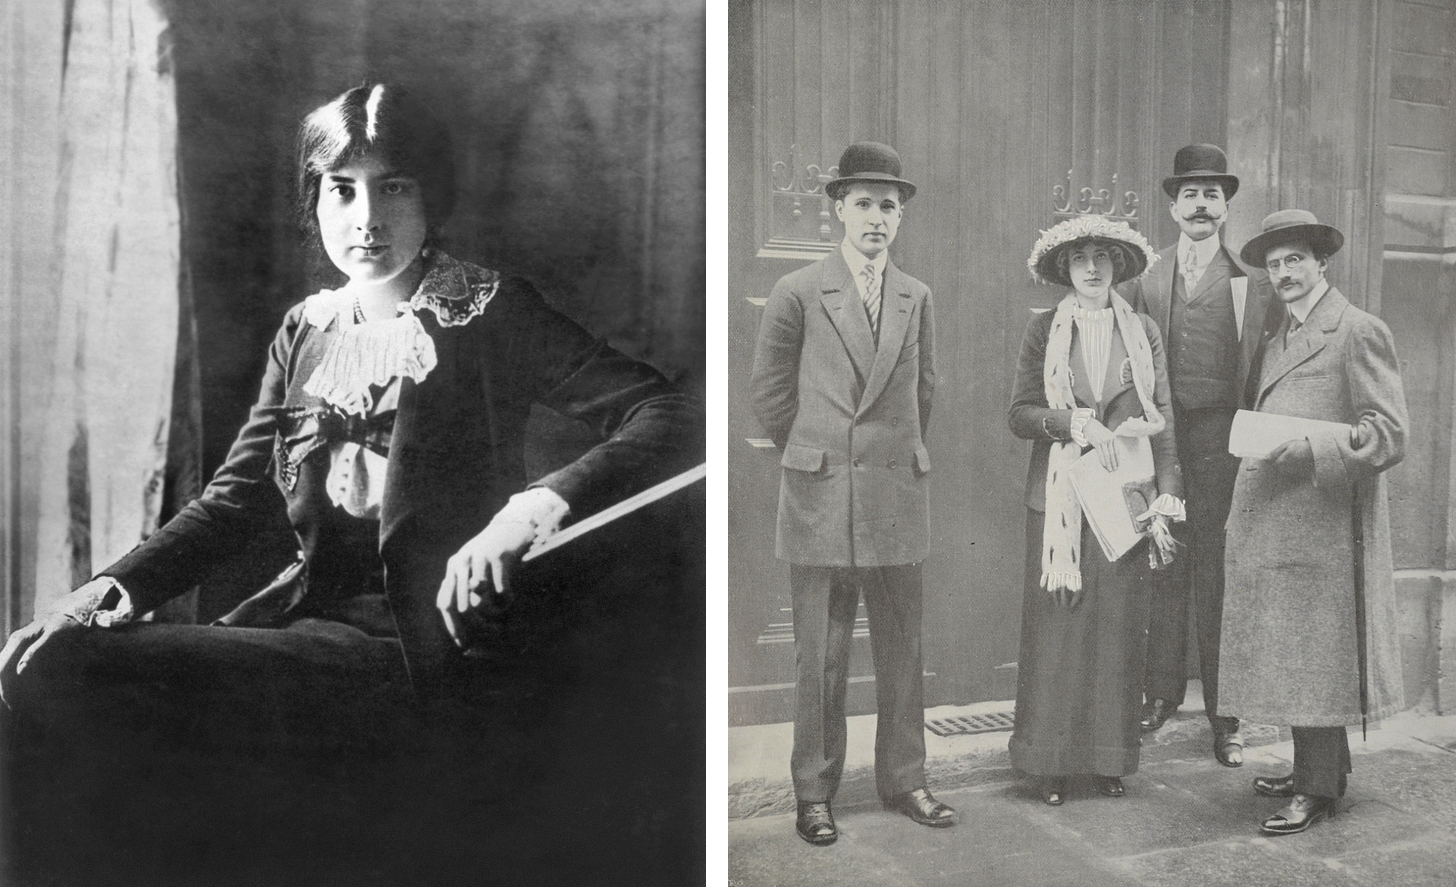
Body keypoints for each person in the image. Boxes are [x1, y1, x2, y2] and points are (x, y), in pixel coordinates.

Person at [0, 83, 699, 876]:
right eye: (342, 189)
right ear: (317, 201)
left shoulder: (490, 310)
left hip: (418, 644)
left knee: (75, 677)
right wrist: (95, 594)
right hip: (304, 623)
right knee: (49, 662)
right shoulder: (306, 329)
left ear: (434, 195)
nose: (366, 217)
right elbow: (236, 500)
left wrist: (525, 512)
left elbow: (668, 412)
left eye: (394, 186)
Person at [749, 141, 955, 846]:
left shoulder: (916, 295)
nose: (876, 218)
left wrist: (886, 459)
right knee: (822, 652)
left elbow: (925, 395)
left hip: (897, 493)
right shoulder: (799, 291)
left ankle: (908, 779)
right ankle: (814, 792)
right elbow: (769, 395)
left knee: (902, 647)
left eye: (888, 206)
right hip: (821, 495)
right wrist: (821, 456)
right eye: (863, 203)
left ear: (900, 217)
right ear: (837, 208)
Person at [1219, 209, 1408, 835]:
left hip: (1326, 524)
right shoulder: (1278, 338)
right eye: (1274, 265)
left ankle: (1318, 790)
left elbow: (1387, 434)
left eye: (1294, 260)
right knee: (1299, 653)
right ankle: (1316, 772)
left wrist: (1313, 450)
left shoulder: (1357, 331)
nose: (1283, 274)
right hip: (1283, 521)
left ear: (1321, 263)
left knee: (1316, 654)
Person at [1008, 216, 1184, 805]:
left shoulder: (1144, 331)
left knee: (1116, 630)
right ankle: (1049, 765)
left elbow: (1162, 412)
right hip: (1059, 499)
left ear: (1117, 266)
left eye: (1102, 256)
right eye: (1080, 257)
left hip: (1125, 496)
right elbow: (1020, 413)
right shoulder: (1043, 330)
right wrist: (1070, 422)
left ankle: (1109, 757)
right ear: (1065, 268)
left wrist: (1167, 487)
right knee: (1061, 628)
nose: (1091, 267)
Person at [1120, 144, 1277, 767]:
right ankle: (1159, 696)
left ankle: (1225, 715)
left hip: (1222, 446)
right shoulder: (1145, 280)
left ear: (1226, 206)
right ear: (1173, 205)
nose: (1202, 205)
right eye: (1191, 194)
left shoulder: (1250, 282)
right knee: (1164, 566)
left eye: (1213, 195)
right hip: (1163, 441)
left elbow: (1264, 370)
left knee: (1218, 574)